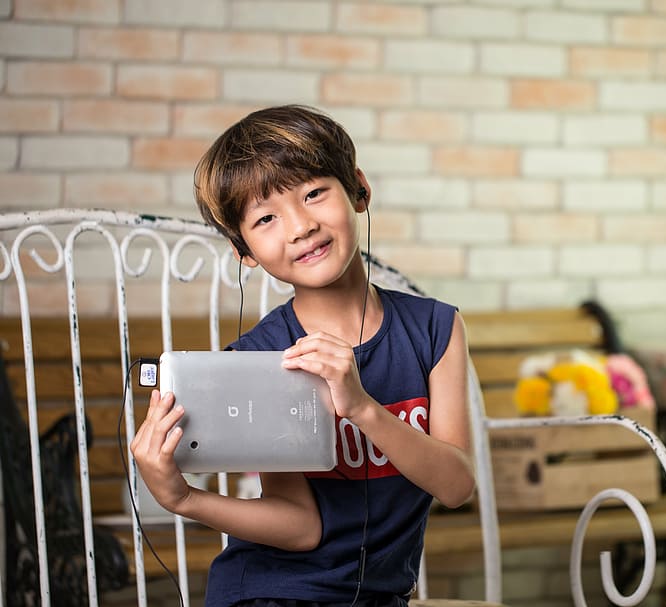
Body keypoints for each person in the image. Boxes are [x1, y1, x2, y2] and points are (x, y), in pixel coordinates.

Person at [130, 105, 476, 607]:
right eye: (266, 218)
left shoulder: (435, 329)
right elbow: (302, 527)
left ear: (358, 189)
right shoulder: (263, 357)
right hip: (270, 593)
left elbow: (456, 485)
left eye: (314, 193)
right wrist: (183, 498)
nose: (299, 226)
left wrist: (361, 407)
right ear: (244, 250)